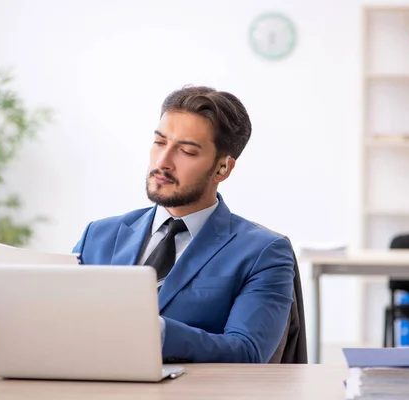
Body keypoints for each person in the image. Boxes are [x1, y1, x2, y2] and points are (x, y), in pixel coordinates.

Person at [73, 86, 295, 363]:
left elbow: (247, 352)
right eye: (159, 142)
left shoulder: (264, 252)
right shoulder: (98, 235)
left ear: (222, 168)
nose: (163, 162)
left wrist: (155, 330)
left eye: (187, 151)